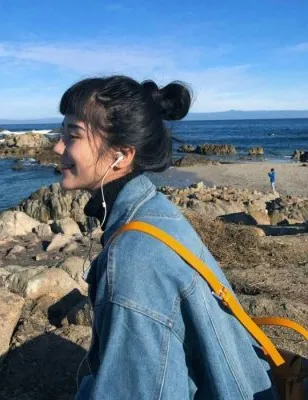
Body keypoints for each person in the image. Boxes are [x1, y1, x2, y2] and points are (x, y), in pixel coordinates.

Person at [53, 76, 277, 399]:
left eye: (72, 135)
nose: (58, 146)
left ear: (122, 155)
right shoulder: (154, 211)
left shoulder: (133, 260)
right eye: (62, 132)